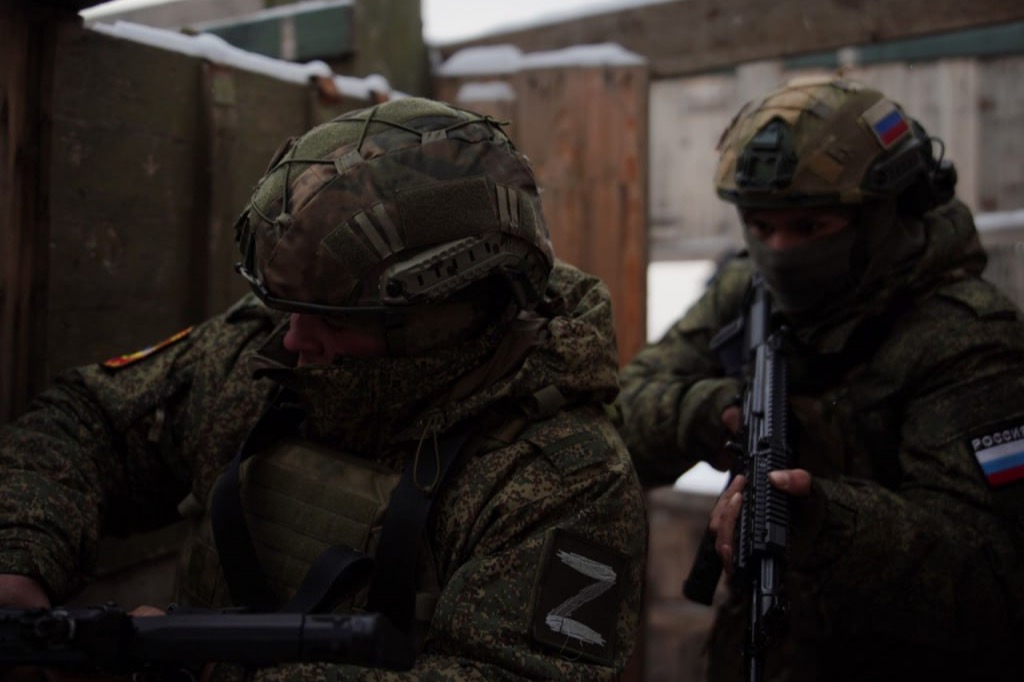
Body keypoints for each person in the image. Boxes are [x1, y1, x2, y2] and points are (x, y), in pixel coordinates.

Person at [0, 97, 647, 680]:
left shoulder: (566, 479)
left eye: (334, 320)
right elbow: (90, 421)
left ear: (436, 319)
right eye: (288, 311)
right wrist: (19, 556)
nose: (292, 339)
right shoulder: (266, 356)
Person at [618, 75, 1024, 681]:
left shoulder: (966, 339)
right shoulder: (749, 288)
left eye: (810, 227)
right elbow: (620, 417)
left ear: (884, 214)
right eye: (761, 227)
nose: (781, 250)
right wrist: (715, 412)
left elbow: (993, 579)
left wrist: (825, 523)